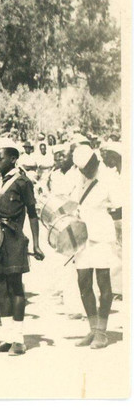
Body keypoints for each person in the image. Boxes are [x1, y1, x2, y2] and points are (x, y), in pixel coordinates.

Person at [0, 138, 44, 355]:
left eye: (0, 158)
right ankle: (7, 337)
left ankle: (18, 339)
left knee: (15, 286)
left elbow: (33, 214)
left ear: (13, 159)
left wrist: (36, 243)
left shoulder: (22, 183)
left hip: (14, 239)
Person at [69, 145, 121, 349]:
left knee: (103, 283)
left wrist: (102, 220)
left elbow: (120, 208)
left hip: (101, 237)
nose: (85, 172)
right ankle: (92, 328)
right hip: (81, 237)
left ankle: (102, 331)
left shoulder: (109, 178)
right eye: (82, 169)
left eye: (88, 167)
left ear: (95, 161)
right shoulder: (78, 177)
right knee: (83, 282)